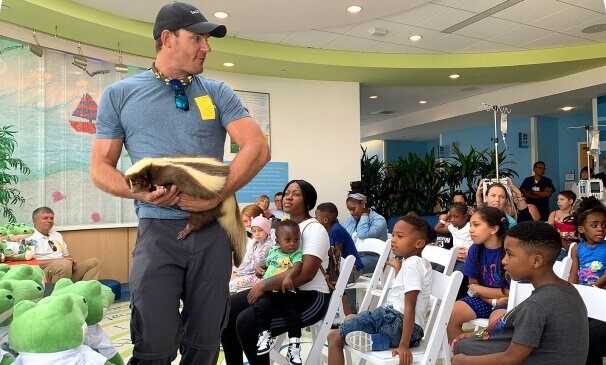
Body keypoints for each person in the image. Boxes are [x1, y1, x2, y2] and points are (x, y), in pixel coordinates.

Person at [90, 2, 271, 363]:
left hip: (213, 232)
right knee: (153, 342)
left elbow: (257, 147)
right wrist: (136, 190)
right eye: (198, 38)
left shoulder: (218, 92)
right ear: (167, 38)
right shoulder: (120, 94)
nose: (207, 47)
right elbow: (100, 166)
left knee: (204, 343)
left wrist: (216, 195)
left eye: (207, 39)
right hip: (157, 232)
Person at [221, 179, 330, 365]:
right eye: (287, 192)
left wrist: (263, 285)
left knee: (247, 322)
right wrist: (263, 268)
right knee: (226, 311)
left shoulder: (314, 229)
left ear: (308, 202)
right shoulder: (282, 227)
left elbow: (305, 274)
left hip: (310, 296)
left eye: (296, 194)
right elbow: (277, 260)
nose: (288, 197)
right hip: (279, 292)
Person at [451, 221, 589, 365]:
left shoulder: (537, 305)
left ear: (536, 261)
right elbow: (504, 327)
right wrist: (476, 334)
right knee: (464, 345)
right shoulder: (564, 290)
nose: (503, 261)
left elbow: (511, 360)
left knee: (462, 349)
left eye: (510, 255)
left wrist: (465, 361)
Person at [326, 215, 433, 365]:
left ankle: (374, 334)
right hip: (408, 330)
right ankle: (379, 341)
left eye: (400, 236)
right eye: (394, 234)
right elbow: (402, 295)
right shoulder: (416, 263)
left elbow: (410, 306)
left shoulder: (412, 265)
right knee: (354, 319)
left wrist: (403, 346)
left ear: (419, 243)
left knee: (334, 337)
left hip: (397, 324)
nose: (393, 239)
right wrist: (398, 269)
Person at [447, 207, 510, 343]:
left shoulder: (510, 252)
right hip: (484, 300)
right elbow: (472, 285)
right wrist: (492, 300)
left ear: (493, 229)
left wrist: (480, 290)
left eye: (476, 225)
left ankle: (483, 355)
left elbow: (512, 293)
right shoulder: (474, 250)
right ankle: (461, 355)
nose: (470, 229)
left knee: (497, 323)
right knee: (449, 314)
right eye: (470, 225)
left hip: (508, 304)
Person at [254, 219, 303, 364]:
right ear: (278, 241)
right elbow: (267, 263)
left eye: (296, 240)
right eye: (287, 240)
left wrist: (289, 276)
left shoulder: (295, 254)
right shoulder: (274, 251)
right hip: (269, 291)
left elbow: (298, 266)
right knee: (261, 306)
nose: (292, 244)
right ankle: (264, 336)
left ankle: (294, 347)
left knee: (293, 314)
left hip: (286, 291)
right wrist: (259, 268)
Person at [27, 207, 101, 283]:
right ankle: (59, 293)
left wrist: (72, 261)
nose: (49, 221)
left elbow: (66, 256)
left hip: (64, 269)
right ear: (34, 221)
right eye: (45, 218)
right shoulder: (28, 237)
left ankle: (85, 291)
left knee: (94, 263)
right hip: (44, 274)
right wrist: (58, 261)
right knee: (64, 264)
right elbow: (28, 264)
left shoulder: (57, 235)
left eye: (51, 218)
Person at [315, 202, 364, 315]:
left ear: (325, 220)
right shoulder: (328, 229)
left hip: (353, 269)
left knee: (328, 281)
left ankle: (347, 314)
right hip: (342, 268)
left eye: (317, 217)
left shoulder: (336, 230)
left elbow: (338, 257)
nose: (315, 220)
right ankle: (332, 313)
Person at [344, 192, 388, 276]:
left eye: (353, 209)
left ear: (363, 204)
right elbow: (346, 239)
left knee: (347, 269)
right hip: (354, 256)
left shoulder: (379, 220)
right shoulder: (349, 219)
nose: (351, 213)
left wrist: (364, 217)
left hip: (374, 258)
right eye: (349, 210)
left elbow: (363, 235)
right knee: (336, 266)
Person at [229, 215, 274, 294]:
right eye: (254, 231)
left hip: (258, 275)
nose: (257, 234)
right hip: (249, 272)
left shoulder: (268, 245)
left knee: (231, 285)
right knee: (229, 278)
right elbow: (247, 259)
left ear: (267, 230)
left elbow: (258, 264)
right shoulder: (255, 242)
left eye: (260, 230)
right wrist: (238, 272)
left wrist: (240, 274)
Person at [569, 197, 606, 287]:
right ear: (581, 229)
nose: (600, 229)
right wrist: (570, 289)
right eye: (594, 225)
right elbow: (574, 274)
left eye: (604, 225)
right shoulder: (576, 249)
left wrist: (595, 286)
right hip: (583, 291)